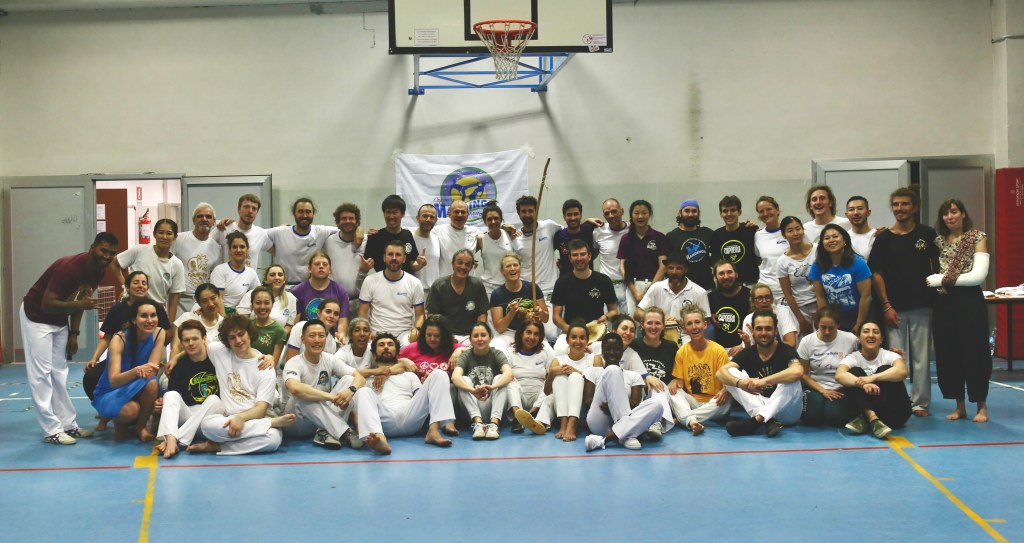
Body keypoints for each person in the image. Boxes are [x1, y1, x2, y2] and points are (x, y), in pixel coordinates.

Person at [22, 232, 118, 444]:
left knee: (59, 372)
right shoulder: (68, 268)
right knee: (41, 373)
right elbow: (47, 304)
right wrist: (80, 305)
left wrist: (74, 333)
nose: (107, 256)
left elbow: (81, 301)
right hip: (37, 317)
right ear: (92, 247)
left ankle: (68, 425)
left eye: (111, 253)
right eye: (103, 250)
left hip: (59, 320)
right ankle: (51, 430)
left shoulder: (98, 271)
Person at [868, 187, 938, 417]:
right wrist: (886, 305)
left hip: (922, 305)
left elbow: (938, 265)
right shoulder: (884, 238)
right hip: (894, 309)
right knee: (896, 358)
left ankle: (920, 403)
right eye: (896, 204)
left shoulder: (927, 234)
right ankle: (897, 400)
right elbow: (876, 274)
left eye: (905, 204)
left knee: (921, 358)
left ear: (915, 207)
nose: (900, 208)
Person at [190, 315, 295, 455]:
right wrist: (175, 359)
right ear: (227, 341)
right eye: (232, 337)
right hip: (229, 419)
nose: (238, 340)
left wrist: (240, 418)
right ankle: (271, 423)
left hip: (257, 418)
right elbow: (194, 348)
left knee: (273, 440)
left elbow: (260, 409)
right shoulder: (219, 351)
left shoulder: (265, 367)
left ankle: (219, 446)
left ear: (249, 333)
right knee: (207, 425)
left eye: (241, 334)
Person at [928, 199, 991, 423]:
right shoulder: (938, 241)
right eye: (945, 213)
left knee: (975, 352)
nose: (950, 217)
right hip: (944, 303)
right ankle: (959, 406)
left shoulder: (977, 237)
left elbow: (978, 275)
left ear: (963, 214)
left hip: (969, 302)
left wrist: (941, 279)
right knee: (948, 353)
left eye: (954, 212)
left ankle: (981, 406)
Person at [351, 333, 460, 451]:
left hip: (411, 416)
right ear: (373, 354)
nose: (386, 347)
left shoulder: (409, 375)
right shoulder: (367, 379)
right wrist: (378, 372)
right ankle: (379, 439)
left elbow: (421, 398)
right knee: (362, 391)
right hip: (384, 421)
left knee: (439, 374)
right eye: (381, 345)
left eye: (390, 344)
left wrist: (428, 387)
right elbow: (349, 373)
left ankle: (433, 431)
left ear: (397, 353)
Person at [283, 319, 369, 450]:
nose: (317, 340)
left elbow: (360, 378)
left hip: (322, 420)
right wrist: (332, 397)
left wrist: (350, 391)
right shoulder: (294, 363)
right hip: (296, 423)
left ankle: (323, 433)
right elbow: (294, 388)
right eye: (312, 336)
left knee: (348, 379)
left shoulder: (329, 359)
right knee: (303, 395)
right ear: (302, 339)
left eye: (321, 336)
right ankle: (345, 431)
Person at [84, 271, 171, 402]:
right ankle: (107, 403)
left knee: (153, 382)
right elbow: (107, 337)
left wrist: (156, 352)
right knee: (92, 376)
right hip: (123, 358)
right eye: (136, 283)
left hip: (148, 357)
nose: (140, 286)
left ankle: (148, 403)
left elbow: (167, 334)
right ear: (127, 287)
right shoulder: (117, 310)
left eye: (144, 283)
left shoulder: (156, 308)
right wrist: (94, 358)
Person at [718, 310, 805, 437]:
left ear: (776, 331)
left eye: (768, 329)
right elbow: (720, 373)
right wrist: (740, 383)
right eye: (759, 329)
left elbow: (798, 371)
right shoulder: (748, 353)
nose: (763, 333)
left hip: (787, 412)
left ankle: (756, 421)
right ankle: (767, 420)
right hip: (761, 404)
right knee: (730, 374)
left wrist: (764, 381)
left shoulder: (786, 350)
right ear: (752, 331)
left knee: (792, 378)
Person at [91, 298, 165, 442]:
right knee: (130, 411)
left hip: (138, 384)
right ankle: (113, 418)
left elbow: (152, 370)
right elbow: (114, 380)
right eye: (144, 316)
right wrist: (136, 371)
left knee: (152, 382)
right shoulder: (119, 339)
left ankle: (141, 427)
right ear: (134, 320)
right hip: (110, 390)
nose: (150, 320)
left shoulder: (159, 333)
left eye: (153, 315)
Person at [583, 333, 665, 452]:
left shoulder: (634, 375)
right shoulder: (592, 371)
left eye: (616, 349)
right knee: (612, 369)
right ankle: (626, 433)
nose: (612, 353)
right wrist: (613, 404)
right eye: (607, 349)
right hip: (600, 419)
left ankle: (606, 439)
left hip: (627, 420)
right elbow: (587, 402)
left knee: (657, 406)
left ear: (622, 352)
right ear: (602, 351)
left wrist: (614, 404)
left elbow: (635, 404)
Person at [155, 320, 222, 458]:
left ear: (204, 339)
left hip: (211, 420)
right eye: (186, 340)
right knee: (170, 395)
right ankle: (172, 438)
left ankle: (173, 439)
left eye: (195, 339)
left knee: (214, 399)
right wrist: (162, 403)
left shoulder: (217, 359)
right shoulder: (178, 366)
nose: (191, 343)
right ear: (181, 343)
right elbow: (172, 398)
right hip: (188, 416)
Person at [835, 321, 912, 439]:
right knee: (854, 372)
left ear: (881, 339)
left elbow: (902, 371)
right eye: (866, 331)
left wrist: (872, 378)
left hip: (893, 415)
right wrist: (863, 385)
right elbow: (839, 375)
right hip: (865, 414)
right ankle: (873, 418)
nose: (871, 335)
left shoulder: (889, 355)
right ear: (859, 338)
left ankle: (867, 418)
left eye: (875, 332)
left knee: (885, 369)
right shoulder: (853, 358)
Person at [665, 305, 732, 435]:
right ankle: (692, 422)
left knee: (729, 394)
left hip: (716, 403)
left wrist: (726, 389)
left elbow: (728, 380)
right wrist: (674, 382)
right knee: (672, 391)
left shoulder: (718, 350)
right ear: (684, 328)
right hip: (694, 402)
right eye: (689, 324)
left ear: (705, 324)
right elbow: (680, 384)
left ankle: (684, 419)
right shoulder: (682, 352)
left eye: (697, 322)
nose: (694, 327)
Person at [550, 239, 618, 354]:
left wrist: (606, 317)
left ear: (589, 256)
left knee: (607, 353)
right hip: (570, 331)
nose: (579, 258)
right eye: (575, 255)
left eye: (583, 254)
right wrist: (570, 330)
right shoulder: (562, 283)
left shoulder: (603, 280)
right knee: (559, 351)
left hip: (597, 331)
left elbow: (614, 311)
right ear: (570, 258)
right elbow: (556, 317)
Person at [112, 218, 185, 322]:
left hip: (155, 312)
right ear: (154, 234)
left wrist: (170, 323)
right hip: (130, 307)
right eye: (161, 232)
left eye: (169, 233)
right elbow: (114, 263)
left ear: (175, 237)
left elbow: (174, 296)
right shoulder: (139, 250)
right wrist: (125, 286)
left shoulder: (177, 264)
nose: (164, 237)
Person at [798, 306, 859, 427]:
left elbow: (863, 357)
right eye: (823, 327)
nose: (826, 332)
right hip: (816, 386)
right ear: (817, 324)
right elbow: (802, 374)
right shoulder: (807, 341)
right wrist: (823, 391)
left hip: (840, 388)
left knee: (835, 419)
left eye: (831, 328)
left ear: (838, 325)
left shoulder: (850, 339)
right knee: (810, 419)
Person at [452, 323, 514, 440]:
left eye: (483, 335)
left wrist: (492, 387)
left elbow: (509, 374)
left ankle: (494, 425)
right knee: (463, 379)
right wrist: (472, 390)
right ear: (470, 340)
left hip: (492, 406)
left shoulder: (496, 353)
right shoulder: (466, 355)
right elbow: (455, 377)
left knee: (500, 378)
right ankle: (478, 424)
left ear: (490, 338)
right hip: (471, 409)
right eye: (476, 336)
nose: (480, 339)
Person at [358, 239, 425, 345]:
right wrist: (367, 330)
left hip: (404, 335)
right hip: (376, 333)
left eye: (398, 255)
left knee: (411, 346)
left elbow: (420, 315)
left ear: (404, 259)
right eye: (390, 254)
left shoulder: (415, 283)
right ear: (384, 258)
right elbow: (362, 313)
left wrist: (417, 329)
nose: (394, 258)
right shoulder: (370, 280)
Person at [809, 224, 872, 333]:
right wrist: (825, 320)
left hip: (861, 315)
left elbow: (865, 296)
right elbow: (820, 297)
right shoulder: (818, 265)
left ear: (844, 240)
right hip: (835, 317)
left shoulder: (859, 263)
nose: (831, 240)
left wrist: (859, 324)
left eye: (835, 236)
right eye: (827, 238)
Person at [548, 321, 604, 442]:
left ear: (587, 341)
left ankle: (572, 423)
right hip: (562, 412)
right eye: (574, 337)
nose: (578, 341)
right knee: (559, 377)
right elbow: (547, 392)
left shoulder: (595, 359)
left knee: (575, 377)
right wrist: (551, 373)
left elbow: (599, 389)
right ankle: (564, 423)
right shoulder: (557, 360)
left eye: (582, 338)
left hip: (585, 411)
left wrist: (578, 373)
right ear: (567, 340)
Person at [264, 197, 338, 285]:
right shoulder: (280, 232)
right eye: (300, 211)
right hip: (284, 287)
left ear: (313, 214)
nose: (304, 215)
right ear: (294, 213)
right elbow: (256, 234)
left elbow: (344, 230)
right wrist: (273, 249)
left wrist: (355, 234)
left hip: (310, 287)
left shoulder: (321, 232)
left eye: (308, 212)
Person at [488, 252, 550, 350]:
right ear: (502, 271)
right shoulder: (497, 294)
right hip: (509, 333)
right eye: (508, 266)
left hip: (531, 330)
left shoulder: (533, 288)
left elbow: (546, 319)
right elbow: (500, 328)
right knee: (495, 348)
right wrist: (511, 313)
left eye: (515, 265)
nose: (512, 268)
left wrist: (540, 313)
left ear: (520, 268)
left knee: (549, 352)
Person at [618, 199, 668, 318]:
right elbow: (622, 267)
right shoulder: (626, 239)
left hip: (655, 285)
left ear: (649, 214)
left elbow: (663, 266)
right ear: (631, 215)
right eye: (636, 213)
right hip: (633, 287)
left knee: (654, 320)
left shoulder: (659, 237)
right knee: (633, 322)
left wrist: (651, 290)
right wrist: (634, 291)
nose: (640, 216)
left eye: (644, 213)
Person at [635, 251, 710, 329]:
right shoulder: (656, 288)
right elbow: (637, 313)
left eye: (679, 268)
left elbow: (705, 320)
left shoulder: (699, 292)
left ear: (685, 269)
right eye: (671, 268)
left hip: (686, 334)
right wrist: (660, 320)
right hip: (660, 333)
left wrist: (682, 324)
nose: (674, 272)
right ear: (666, 269)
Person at [426, 249, 489, 340]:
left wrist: (478, 334)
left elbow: (482, 314)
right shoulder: (439, 286)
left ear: (471, 267)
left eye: (467, 264)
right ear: (453, 264)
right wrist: (440, 334)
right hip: (445, 336)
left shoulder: (477, 285)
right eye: (460, 263)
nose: (463, 267)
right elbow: (432, 314)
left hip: (470, 336)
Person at [172, 202, 221, 317]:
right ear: (193, 220)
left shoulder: (217, 248)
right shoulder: (178, 239)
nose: (204, 219)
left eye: (208, 217)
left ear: (214, 221)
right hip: (179, 300)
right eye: (200, 216)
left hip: (202, 302)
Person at [512, 195, 563, 305]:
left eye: (530, 211)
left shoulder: (549, 226)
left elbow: (570, 232)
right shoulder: (515, 238)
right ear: (518, 213)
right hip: (527, 293)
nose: (527, 214)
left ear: (536, 211)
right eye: (523, 211)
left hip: (550, 291)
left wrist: (587, 222)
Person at [506, 321, 556, 434]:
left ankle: (536, 418)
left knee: (553, 381)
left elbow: (552, 372)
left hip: (538, 398)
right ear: (521, 333)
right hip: (519, 398)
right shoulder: (509, 352)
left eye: (536, 334)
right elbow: (505, 375)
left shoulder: (545, 352)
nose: (532, 337)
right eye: (528, 332)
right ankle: (518, 419)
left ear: (540, 337)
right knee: (509, 380)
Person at [324, 203, 371, 309]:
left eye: (351, 218)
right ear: (338, 222)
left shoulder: (367, 241)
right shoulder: (328, 241)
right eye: (344, 218)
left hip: (359, 301)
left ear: (357, 221)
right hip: (333, 301)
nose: (347, 221)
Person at [775, 215, 816, 336]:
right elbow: (787, 293)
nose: (795, 233)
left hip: (821, 304)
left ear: (803, 229)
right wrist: (801, 320)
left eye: (798, 229)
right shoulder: (782, 261)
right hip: (800, 308)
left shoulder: (817, 250)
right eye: (790, 230)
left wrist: (823, 311)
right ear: (784, 235)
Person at [211, 194, 271, 271]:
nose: (250, 211)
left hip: (249, 278)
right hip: (227, 277)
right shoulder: (224, 228)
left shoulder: (260, 234)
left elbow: (277, 248)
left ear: (257, 212)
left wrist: (285, 228)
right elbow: (203, 243)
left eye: (254, 208)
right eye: (246, 207)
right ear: (238, 210)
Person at [399, 315, 467, 382]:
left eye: (437, 336)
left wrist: (460, 350)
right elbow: (393, 364)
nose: (432, 339)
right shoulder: (413, 348)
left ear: (445, 336)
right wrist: (403, 361)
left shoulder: (455, 348)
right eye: (429, 335)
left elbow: (472, 350)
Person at [235, 265, 299, 336]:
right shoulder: (251, 294)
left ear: (284, 280)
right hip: (253, 337)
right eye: (272, 275)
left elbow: (289, 325)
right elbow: (242, 321)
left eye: (280, 275)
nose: (276, 277)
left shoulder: (291, 298)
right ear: (266, 278)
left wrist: (277, 338)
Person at [665, 199, 715, 291]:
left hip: (706, 288)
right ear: (680, 213)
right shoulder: (671, 236)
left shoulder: (708, 233)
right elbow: (668, 266)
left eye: (694, 211)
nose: (690, 214)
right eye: (687, 211)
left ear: (699, 213)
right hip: (681, 289)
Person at [364, 194, 421, 274]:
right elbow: (365, 266)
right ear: (384, 214)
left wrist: (421, 265)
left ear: (403, 214)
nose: (391, 216)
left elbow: (411, 265)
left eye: (395, 212)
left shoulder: (407, 235)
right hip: (382, 280)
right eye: (388, 212)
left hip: (405, 281)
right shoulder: (375, 237)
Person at [711, 195, 761, 285]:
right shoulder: (716, 235)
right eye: (725, 211)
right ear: (721, 214)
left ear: (739, 212)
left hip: (751, 283)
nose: (729, 214)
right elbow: (716, 262)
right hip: (728, 284)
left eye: (733, 210)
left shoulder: (751, 229)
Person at [292, 251, 349, 328]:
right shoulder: (297, 292)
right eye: (317, 264)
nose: (321, 266)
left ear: (330, 269)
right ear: (309, 269)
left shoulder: (340, 291)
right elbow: (295, 323)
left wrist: (341, 334)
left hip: (332, 334)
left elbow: (343, 320)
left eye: (325, 264)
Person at [593, 198, 630, 311]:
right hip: (606, 286)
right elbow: (591, 255)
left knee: (628, 321)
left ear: (622, 211)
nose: (611, 215)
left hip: (628, 286)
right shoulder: (598, 231)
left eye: (614, 211)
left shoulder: (632, 229)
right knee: (606, 321)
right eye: (607, 213)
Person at [171, 284, 224, 361]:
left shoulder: (224, 324)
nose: (210, 304)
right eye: (204, 301)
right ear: (199, 304)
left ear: (219, 297)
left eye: (213, 298)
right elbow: (176, 346)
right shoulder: (187, 318)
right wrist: (172, 363)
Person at [707, 260, 750, 354]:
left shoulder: (749, 296)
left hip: (745, 348)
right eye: (721, 273)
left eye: (729, 272)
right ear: (715, 277)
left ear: (736, 274)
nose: (726, 277)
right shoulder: (709, 298)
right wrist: (709, 316)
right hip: (718, 351)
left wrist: (743, 345)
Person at [209, 231, 259, 311]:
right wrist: (225, 318)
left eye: (242, 247)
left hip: (243, 313)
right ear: (229, 251)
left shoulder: (251, 273)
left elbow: (258, 296)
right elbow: (217, 301)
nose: (238, 250)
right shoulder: (220, 270)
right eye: (235, 247)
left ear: (247, 250)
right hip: (222, 313)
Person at [631, 307, 679, 387]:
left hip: (665, 391)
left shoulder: (672, 347)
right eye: (649, 323)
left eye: (657, 323)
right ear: (642, 325)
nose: (653, 327)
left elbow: (677, 375)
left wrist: (675, 380)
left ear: (663, 326)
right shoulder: (633, 345)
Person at [740, 284, 799, 349]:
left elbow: (791, 343)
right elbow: (749, 350)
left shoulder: (782, 313)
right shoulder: (748, 319)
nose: (764, 301)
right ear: (753, 302)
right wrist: (747, 343)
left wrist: (763, 342)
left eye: (767, 297)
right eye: (760, 298)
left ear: (772, 300)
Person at [753, 196, 788, 301]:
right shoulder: (758, 235)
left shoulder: (789, 231)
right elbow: (758, 259)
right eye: (761, 211)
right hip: (765, 291)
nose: (765, 213)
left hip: (787, 290)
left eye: (769, 209)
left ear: (777, 210)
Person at [434, 199, 480, 279]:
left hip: (468, 282)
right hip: (446, 282)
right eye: (456, 212)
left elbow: (491, 237)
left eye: (463, 212)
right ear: (449, 214)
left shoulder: (475, 231)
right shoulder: (437, 231)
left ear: (467, 215)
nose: (459, 215)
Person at [476, 202, 514, 297]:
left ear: (501, 220)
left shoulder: (509, 233)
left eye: (496, 218)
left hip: (509, 285)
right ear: (485, 222)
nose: (493, 222)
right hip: (489, 288)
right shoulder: (480, 239)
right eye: (489, 219)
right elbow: (468, 252)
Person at [553, 198, 599, 276]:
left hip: (588, 279)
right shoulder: (559, 236)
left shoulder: (590, 229)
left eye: (576, 214)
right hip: (566, 281)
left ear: (581, 216)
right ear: (564, 217)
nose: (573, 218)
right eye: (569, 215)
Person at [248, 286, 287, 362]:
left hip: (265, 368)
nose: (262, 307)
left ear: (272, 305)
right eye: (258, 303)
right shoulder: (246, 326)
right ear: (252, 305)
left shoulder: (279, 331)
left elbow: (274, 362)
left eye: (267, 303)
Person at [412, 203, 442, 294]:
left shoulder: (437, 238)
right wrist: (419, 266)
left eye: (432, 217)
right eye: (425, 216)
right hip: (415, 291)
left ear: (436, 220)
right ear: (417, 218)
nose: (428, 219)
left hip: (435, 292)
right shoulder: (409, 238)